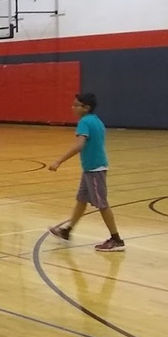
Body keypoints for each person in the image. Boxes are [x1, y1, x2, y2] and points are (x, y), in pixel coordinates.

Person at [48, 93, 125, 252]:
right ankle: (67, 232)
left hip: (94, 169)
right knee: (81, 200)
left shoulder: (84, 122)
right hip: (91, 169)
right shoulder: (97, 121)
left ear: (86, 108)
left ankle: (116, 239)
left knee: (102, 204)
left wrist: (59, 161)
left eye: (76, 105)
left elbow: (79, 145)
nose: (73, 108)